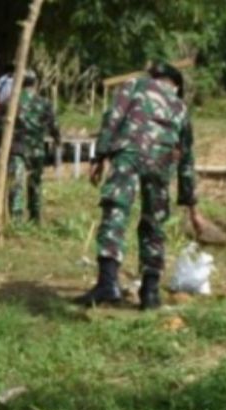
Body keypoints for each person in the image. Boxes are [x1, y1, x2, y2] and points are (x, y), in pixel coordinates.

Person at [80, 61, 207, 310]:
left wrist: (99, 156)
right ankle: (150, 292)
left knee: (116, 210)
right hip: (161, 162)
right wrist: (190, 202)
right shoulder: (180, 107)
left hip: (129, 154)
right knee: (154, 222)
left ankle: (108, 282)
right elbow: (187, 159)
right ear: (175, 85)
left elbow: (113, 117)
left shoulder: (134, 86)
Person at [0, 70, 61, 223]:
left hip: (17, 149)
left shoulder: (9, 102)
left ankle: (16, 220)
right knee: (35, 183)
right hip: (37, 150)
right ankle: (35, 218)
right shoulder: (44, 103)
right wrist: (58, 141)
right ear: (35, 84)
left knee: (16, 184)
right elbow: (54, 126)